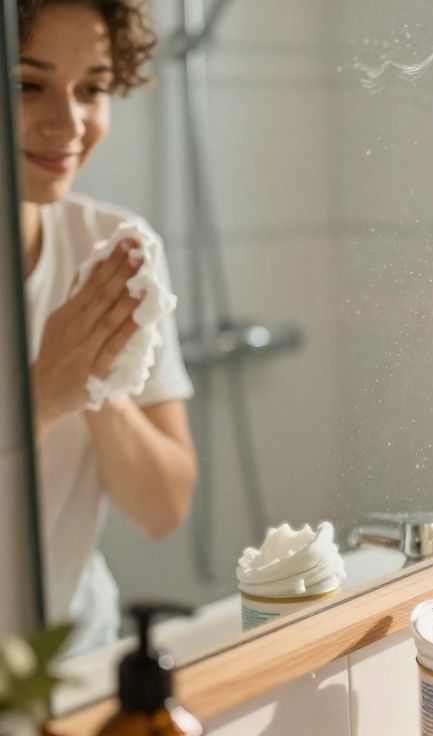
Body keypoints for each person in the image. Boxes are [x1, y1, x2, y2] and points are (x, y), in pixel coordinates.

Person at [18, 0, 197, 657]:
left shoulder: (113, 248)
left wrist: (97, 380)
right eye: (26, 84)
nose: (69, 124)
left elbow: (163, 509)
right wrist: (40, 399)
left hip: (75, 651)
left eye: (92, 88)